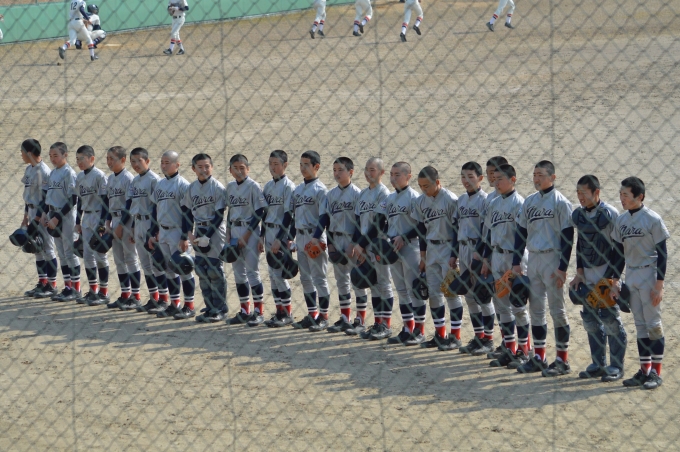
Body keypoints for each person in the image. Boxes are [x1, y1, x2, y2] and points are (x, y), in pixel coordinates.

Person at [513, 160, 574, 376]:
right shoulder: (529, 201)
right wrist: (516, 262)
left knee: (557, 310)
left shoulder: (561, 202)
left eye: (541, 175)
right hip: (533, 259)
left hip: (552, 258)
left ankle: (562, 360)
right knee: (536, 310)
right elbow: (520, 233)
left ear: (552, 177)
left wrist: (562, 267)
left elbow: (568, 237)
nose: (536, 179)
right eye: (534, 175)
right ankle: (539, 357)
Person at [610, 177, 669, 390]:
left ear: (639, 196)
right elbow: (618, 254)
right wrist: (615, 279)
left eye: (626, 195)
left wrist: (659, 285)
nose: (622, 198)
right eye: (621, 194)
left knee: (653, 324)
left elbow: (662, 254)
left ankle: (656, 372)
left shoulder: (652, 219)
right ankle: (645, 370)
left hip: (649, 274)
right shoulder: (621, 221)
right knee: (640, 325)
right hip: (631, 274)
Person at [357, 162, 423, 345]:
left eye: (397, 175)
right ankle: (407, 329)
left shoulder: (414, 197)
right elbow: (379, 222)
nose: (393, 178)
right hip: (393, 248)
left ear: (408, 176)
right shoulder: (389, 198)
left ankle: (419, 331)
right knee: (401, 290)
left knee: (413, 290)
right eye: (392, 175)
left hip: (410, 247)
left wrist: (404, 237)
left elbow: (421, 226)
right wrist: (374, 242)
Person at [569, 175, 626, 382]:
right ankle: (598, 364)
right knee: (590, 319)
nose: (580, 197)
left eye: (584, 192)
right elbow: (581, 244)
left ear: (596, 192)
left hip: (606, 273)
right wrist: (579, 272)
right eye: (578, 193)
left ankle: (616, 366)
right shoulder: (579, 215)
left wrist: (611, 278)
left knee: (610, 319)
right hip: (588, 274)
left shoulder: (610, 214)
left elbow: (619, 249)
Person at [480, 164, 531, 369]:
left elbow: (521, 236)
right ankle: (509, 349)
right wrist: (486, 259)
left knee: (518, 306)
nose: (496, 182)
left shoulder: (519, 203)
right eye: (495, 178)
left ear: (512, 180)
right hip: (497, 256)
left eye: (500, 178)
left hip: (514, 258)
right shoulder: (493, 203)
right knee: (502, 306)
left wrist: (517, 263)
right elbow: (488, 234)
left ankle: (524, 350)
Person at [310, 157, 367, 333]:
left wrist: (354, 244)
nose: (336, 173)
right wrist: (331, 245)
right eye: (334, 170)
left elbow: (360, 222)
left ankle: (360, 320)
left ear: (351, 172)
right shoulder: (331, 195)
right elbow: (326, 220)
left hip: (353, 240)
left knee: (358, 282)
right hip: (336, 239)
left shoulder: (358, 194)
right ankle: (344, 318)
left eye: (340, 170)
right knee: (341, 282)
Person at [277, 151, 331, 331]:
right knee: (305, 279)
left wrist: (316, 237)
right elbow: (294, 217)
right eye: (301, 164)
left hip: (315, 236)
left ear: (316, 167)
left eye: (306, 164)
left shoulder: (321, 190)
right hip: (300, 237)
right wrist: (289, 237)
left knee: (319, 278)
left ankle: (324, 316)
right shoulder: (298, 190)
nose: (302, 168)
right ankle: (312, 314)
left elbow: (323, 217)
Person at [412, 166, 462, 351]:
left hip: (448, 247)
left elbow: (456, 230)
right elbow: (421, 231)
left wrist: (454, 254)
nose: (423, 189)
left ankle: (455, 336)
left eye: (426, 185)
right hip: (431, 248)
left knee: (451, 293)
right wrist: (423, 257)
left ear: (437, 182)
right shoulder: (420, 201)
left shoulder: (450, 199)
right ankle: (440, 334)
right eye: (420, 186)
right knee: (434, 294)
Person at [147, 151, 196, 319]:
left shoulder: (183, 185)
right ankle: (174, 305)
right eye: (162, 162)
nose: (163, 165)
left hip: (177, 231)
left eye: (167, 162)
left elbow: (188, 213)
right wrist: (153, 232)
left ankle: (189, 306)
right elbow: (155, 209)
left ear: (177, 165)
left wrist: (184, 237)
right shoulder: (160, 184)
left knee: (183, 269)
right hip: (162, 231)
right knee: (168, 269)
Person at [349, 157, 393, 339]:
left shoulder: (384, 193)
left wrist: (361, 244)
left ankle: (386, 325)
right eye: (366, 169)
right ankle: (377, 322)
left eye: (372, 170)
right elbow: (358, 221)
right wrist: (356, 243)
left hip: (378, 245)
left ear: (382, 173)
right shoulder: (363, 194)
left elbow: (379, 224)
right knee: (374, 284)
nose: (368, 173)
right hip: (365, 245)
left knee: (384, 284)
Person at [181, 153, 228, 322]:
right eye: (200, 167)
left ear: (212, 167)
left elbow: (219, 215)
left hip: (215, 231)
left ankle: (220, 308)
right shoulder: (191, 188)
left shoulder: (217, 187)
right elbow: (186, 211)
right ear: (193, 169)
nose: (204, 170)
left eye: (207, 166)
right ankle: (209, 307)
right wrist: (189, 233)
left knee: (214, 270)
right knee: (201, 270)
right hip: (198, 230)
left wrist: (207, 236)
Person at [127, 148, 168, 313]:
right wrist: (132, 228)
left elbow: (158, 207)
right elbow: (133, 205)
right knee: (145, 264)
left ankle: (164, 300)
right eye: (133, 161)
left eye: (139, 160)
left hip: (151, 224)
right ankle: (154, 298)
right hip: (138, 223)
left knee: (155, 264)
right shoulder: (135, 180)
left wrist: (154, 230)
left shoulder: (154, 180)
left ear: (147, 161)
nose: (135, 164)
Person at [260, 150, 297, 327]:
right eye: (270, 164)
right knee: (272, 274)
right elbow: (264, 213)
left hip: (280, 233)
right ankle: (279, 311)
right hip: (268, 231)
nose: (272, 167)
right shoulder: (268, 186)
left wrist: (281, 239)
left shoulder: (289, 186)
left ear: (285, 165)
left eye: (276, 164)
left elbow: (289, 215)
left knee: (279, 274)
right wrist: (261, 236)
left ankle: (287, 313)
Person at [20, 139, 58, 299]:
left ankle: (52, 285)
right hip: (31, 211)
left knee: (47, 248)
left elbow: (46, 198)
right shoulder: (29, 169)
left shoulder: (44, 171)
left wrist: (37, 218)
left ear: (29, 153)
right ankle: (42, 282)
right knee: (37, 248)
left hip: (43, 214)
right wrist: (25, 217)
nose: (21, 155)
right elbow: (28, 197)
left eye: (22, 152)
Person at [73, 145, 110, 306]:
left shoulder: (99, 176)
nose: (79, 162)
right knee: (87, 255)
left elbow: (106, 201)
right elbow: (79, 201)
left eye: (82, 158)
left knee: (100, 255)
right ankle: (93, 291)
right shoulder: (79, 177)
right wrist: (77, 222)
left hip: (98, 216)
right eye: (77, 159)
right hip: (86, 217)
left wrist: (102, 224)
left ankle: (104, 292)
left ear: (92, 158)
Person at [45, 142, 81, 301]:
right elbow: (49, 196)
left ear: (65, 155)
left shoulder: (69, 173)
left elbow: (73, 199)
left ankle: (76, 289)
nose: (52, 159)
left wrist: (56, 217)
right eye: (50, 156)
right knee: (61, 253)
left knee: (70, 252)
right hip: (53, 213)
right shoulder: (53, 173)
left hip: (66, 216)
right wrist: (47, 214)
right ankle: (67, 287)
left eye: (56, 155)